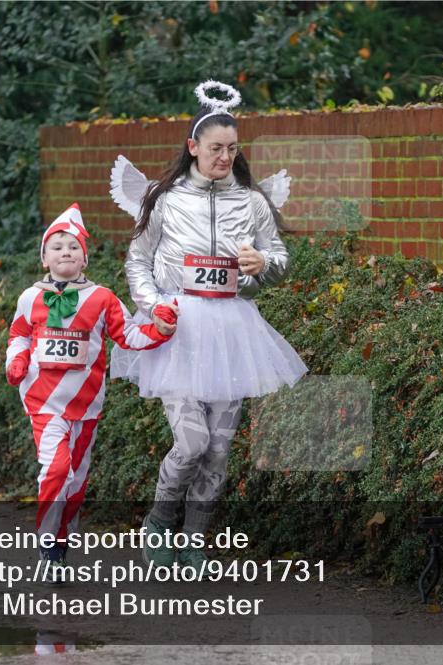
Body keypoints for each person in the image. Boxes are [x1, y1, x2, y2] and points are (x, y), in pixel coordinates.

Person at [109, 81, 307, 569]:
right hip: (177, 332)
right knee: (192, 441)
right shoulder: (165, 199)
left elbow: (279, 260)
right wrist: (156, 306)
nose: (224, 157)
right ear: (192, 147)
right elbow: (137, 261)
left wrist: (262, 263)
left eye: (232, 149)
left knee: (218, 450)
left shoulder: (254, 201)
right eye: (215, 148)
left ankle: (194, 538)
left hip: (233, 332)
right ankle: (158, 522)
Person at [5, 202, 177, 580]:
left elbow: (128, 335)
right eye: (57, 246)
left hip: (86, 406)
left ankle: (61, 546)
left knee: (76, 482)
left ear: (84, 257)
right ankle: (47, 546)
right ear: (44, 257)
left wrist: (160, 330)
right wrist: (15, 361)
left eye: (73, 247)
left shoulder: (102, 298)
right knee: (56, 469)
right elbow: (19, 334)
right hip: (43, 401)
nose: (65, 251)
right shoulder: (29, 296)